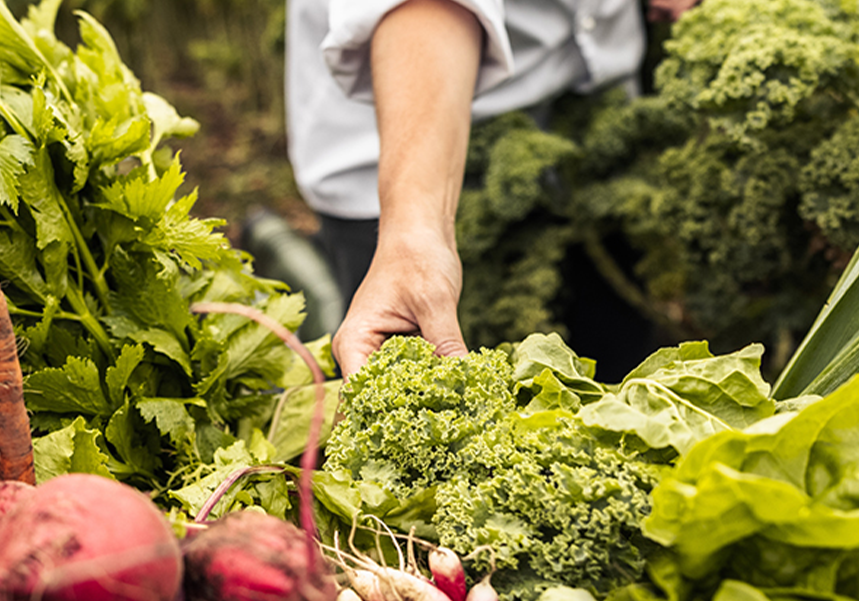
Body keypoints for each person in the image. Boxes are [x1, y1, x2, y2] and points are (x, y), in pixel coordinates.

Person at [285, 0, 700, 377]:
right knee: (440, 411)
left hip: (592, 124)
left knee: (614, 368)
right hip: (411, 157)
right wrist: (414, 236)